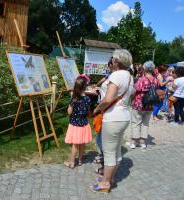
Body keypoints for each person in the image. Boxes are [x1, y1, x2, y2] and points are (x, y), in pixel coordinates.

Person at [89, 49, 134, 193]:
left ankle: (105, 183)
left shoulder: (116, 75)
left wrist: (96, 109)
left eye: (112, 58)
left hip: (113, 117)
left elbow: (108, 99)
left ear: (116, 61)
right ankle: (110, 179)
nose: (111, 60)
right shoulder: (129, 76)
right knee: (117, 151)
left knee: (109, 152)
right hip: (124, 115)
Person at [64, 75, 93, 168]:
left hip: (75, 125)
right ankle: (80, 160)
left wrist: (71, 101)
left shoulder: (74, 99)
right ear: (85, 87)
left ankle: (71, 162)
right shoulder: (88, 99)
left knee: (75, 144)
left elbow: (69, 112)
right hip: (84, 124)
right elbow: (88, 112)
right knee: (82, 143)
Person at [130, 61, 159, 149]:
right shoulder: (155, 80)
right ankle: (143, 142)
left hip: (139, 104)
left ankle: (134, 142)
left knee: (136, 123)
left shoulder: (142, 79)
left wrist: (131, 99)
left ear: (144, 69)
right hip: (150, 105)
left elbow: (135, 91)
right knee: (145, 123)